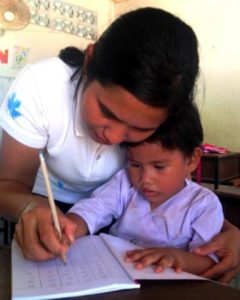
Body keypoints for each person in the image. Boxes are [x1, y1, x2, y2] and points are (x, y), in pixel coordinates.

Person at [0, 7, 239, 281]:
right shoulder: (41, 88)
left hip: (112, 224)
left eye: (139, 129)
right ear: (90, 62)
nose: (113, 138)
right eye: (107, 112)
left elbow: (182, 200)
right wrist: (32, 208)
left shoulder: (160, 127)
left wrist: (229, 231)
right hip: (47, 207)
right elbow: (8, 185)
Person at [64, 104, 224, 276]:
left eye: (159, 166)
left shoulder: (203, 204)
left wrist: (178, 258)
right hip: (119, 275)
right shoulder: (124, 184)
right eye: (135, 164)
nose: (145, 179)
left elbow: (208, 260)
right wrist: (68, 227)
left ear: (192, 160)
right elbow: (94, 209)